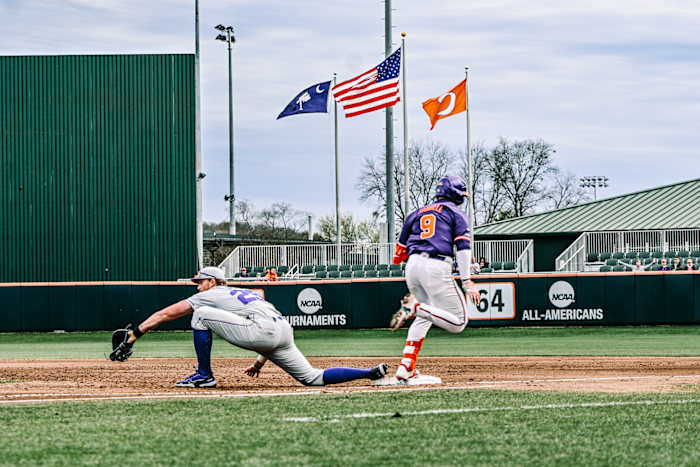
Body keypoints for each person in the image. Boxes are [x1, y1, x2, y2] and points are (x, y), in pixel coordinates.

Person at [123, 266, 388, 388]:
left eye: (201, 281)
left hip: (262, 330)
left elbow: (167, 313)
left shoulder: (209, 294)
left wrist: (136, 333)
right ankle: (369, 373)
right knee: (312, 378)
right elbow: (270, 334)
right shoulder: (243, 293)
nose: (198, 285)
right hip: (283, 330)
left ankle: (204, 375)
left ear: (214, 282)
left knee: (200, 314)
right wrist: (260, 364)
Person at [388, 175, 480, 382]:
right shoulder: (456, 212)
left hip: (412, 266)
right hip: (436, 264)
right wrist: (467, 282)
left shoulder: (416, 213)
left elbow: (398, 255)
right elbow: (463, 249)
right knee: (459, 322)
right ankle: (415, 307)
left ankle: (405, 367)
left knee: (424, 318)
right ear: (456, 194)